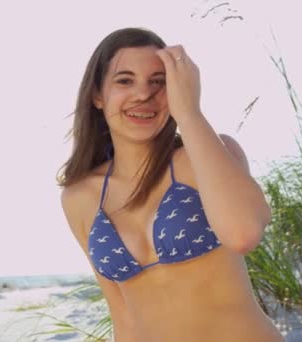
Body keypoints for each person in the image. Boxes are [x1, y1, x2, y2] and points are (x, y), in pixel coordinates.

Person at [58, 28, 283, 341]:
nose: (143, 94)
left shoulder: (208, 157)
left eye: (158, 82)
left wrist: (189, 113)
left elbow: (242, 233)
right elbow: (123, 317)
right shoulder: (79, 197)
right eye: (125, 80)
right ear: (97, 95)